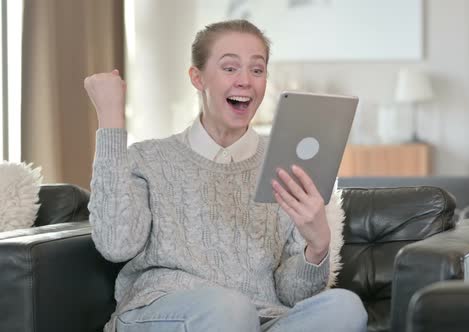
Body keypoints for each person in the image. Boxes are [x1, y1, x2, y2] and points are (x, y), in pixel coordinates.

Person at [84, 19, 367, 332]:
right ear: (198, 77)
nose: (246, 80)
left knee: (345, 307)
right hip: (163, 310)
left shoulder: (284, 165)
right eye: (230, 68)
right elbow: (114, 244)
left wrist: (316, 247)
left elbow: (291, 295)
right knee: (230, 309)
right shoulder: (148, 158)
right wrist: (110, 118)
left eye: (257, 70)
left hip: (258, 318)